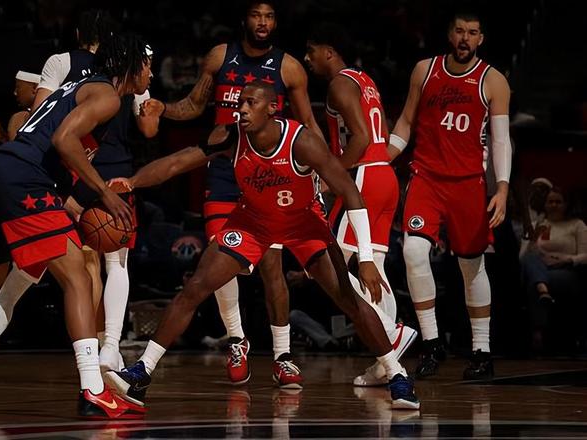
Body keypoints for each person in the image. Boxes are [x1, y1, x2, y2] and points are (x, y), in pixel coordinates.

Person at [105, 81, 420, 410]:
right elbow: (176, 162)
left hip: (303, 223)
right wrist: (132, 182)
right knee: (195, 287)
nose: (241, 109)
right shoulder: (231, 135)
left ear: (272, 108)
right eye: (240, 102)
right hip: (253, 222)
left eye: (250, 103)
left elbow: (350, 192)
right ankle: (141, 372)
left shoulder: (302, 141)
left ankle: (397, 375)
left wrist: (365, 258)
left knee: (349, 300)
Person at [0, 32, 151, 419]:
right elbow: (64, 140)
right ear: (131, 66)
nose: (151, 73)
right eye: (147, 65)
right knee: (78, 277)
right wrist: (105, 192)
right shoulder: (108, 95)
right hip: (25, 181)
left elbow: (49, 141)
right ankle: (93, 389)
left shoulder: (78, 87)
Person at [145, 0, 323, 387]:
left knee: (272, 266)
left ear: (276, 22)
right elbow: (194, 105)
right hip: (226, 170)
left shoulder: (289, 67)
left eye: (269, 16)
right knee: (218, 259)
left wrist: (323, 173)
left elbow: (307, 121)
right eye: (257, 15)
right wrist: (163, 108)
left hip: (269, 174)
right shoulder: (220, 56)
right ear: (245, 19)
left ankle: (282, 355)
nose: (263, 22)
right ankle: (237, 339)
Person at [387, 11, 512, 379]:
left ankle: (481, 352)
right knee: (412, 251)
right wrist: (383, 157)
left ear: (481, 39)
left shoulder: (493, 80)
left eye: (472, 32)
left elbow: (501, 140)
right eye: (459, 31)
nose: (465, 38)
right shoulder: (424, 70)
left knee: (471, 266)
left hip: (468, 183)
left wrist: (502, 187)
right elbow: (406, 121)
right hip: (426, 177)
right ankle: (431, 344)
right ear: (450, 34)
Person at [304, 23, 418, 387]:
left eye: (311, 51)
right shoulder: (364, 79)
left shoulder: (339, 83)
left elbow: (362, 136)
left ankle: (389, 334)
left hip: (365, 176)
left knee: (327, 264)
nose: (307, 58)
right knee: (375, 268)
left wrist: (332, 173)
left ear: (329, 52)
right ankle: (386, 361)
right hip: (385, 175)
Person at [520, 187, 587, 349]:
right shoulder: (538, 225)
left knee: (534, 281)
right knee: (531, 261)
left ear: (566, 204)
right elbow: (522, 258)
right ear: (544, 204)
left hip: (566, 270)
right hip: (541, 268)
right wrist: (532, 239)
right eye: (550, 202)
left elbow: (585, 255)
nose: (554, 205)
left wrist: (567, 259)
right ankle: (542, 288)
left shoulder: (577, 225)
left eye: (558, 202)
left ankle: (537, 332)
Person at [0, 70, 41, 143]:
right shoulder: (17, 118)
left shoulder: (51, 119)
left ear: (34, 87)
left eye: (18, 87)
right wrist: (2, 137)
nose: (15, 92)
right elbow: (18, 148)